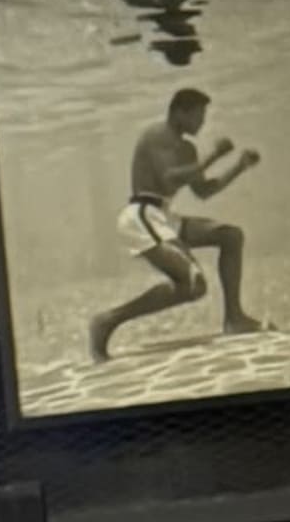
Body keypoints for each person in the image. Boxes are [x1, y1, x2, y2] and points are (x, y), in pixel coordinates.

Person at [88, 86, 260, 366]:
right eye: (198, 116)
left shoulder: (188, 148)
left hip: (164, 216)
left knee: (230, 236)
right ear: (180, 112)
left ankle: (234, 318)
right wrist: (213, 156)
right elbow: (168, 179)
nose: (202, 123)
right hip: (141, 215)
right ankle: (107, 321)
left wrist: (239, 166)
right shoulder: (156, 135)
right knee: (193, 283)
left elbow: (203, 191)